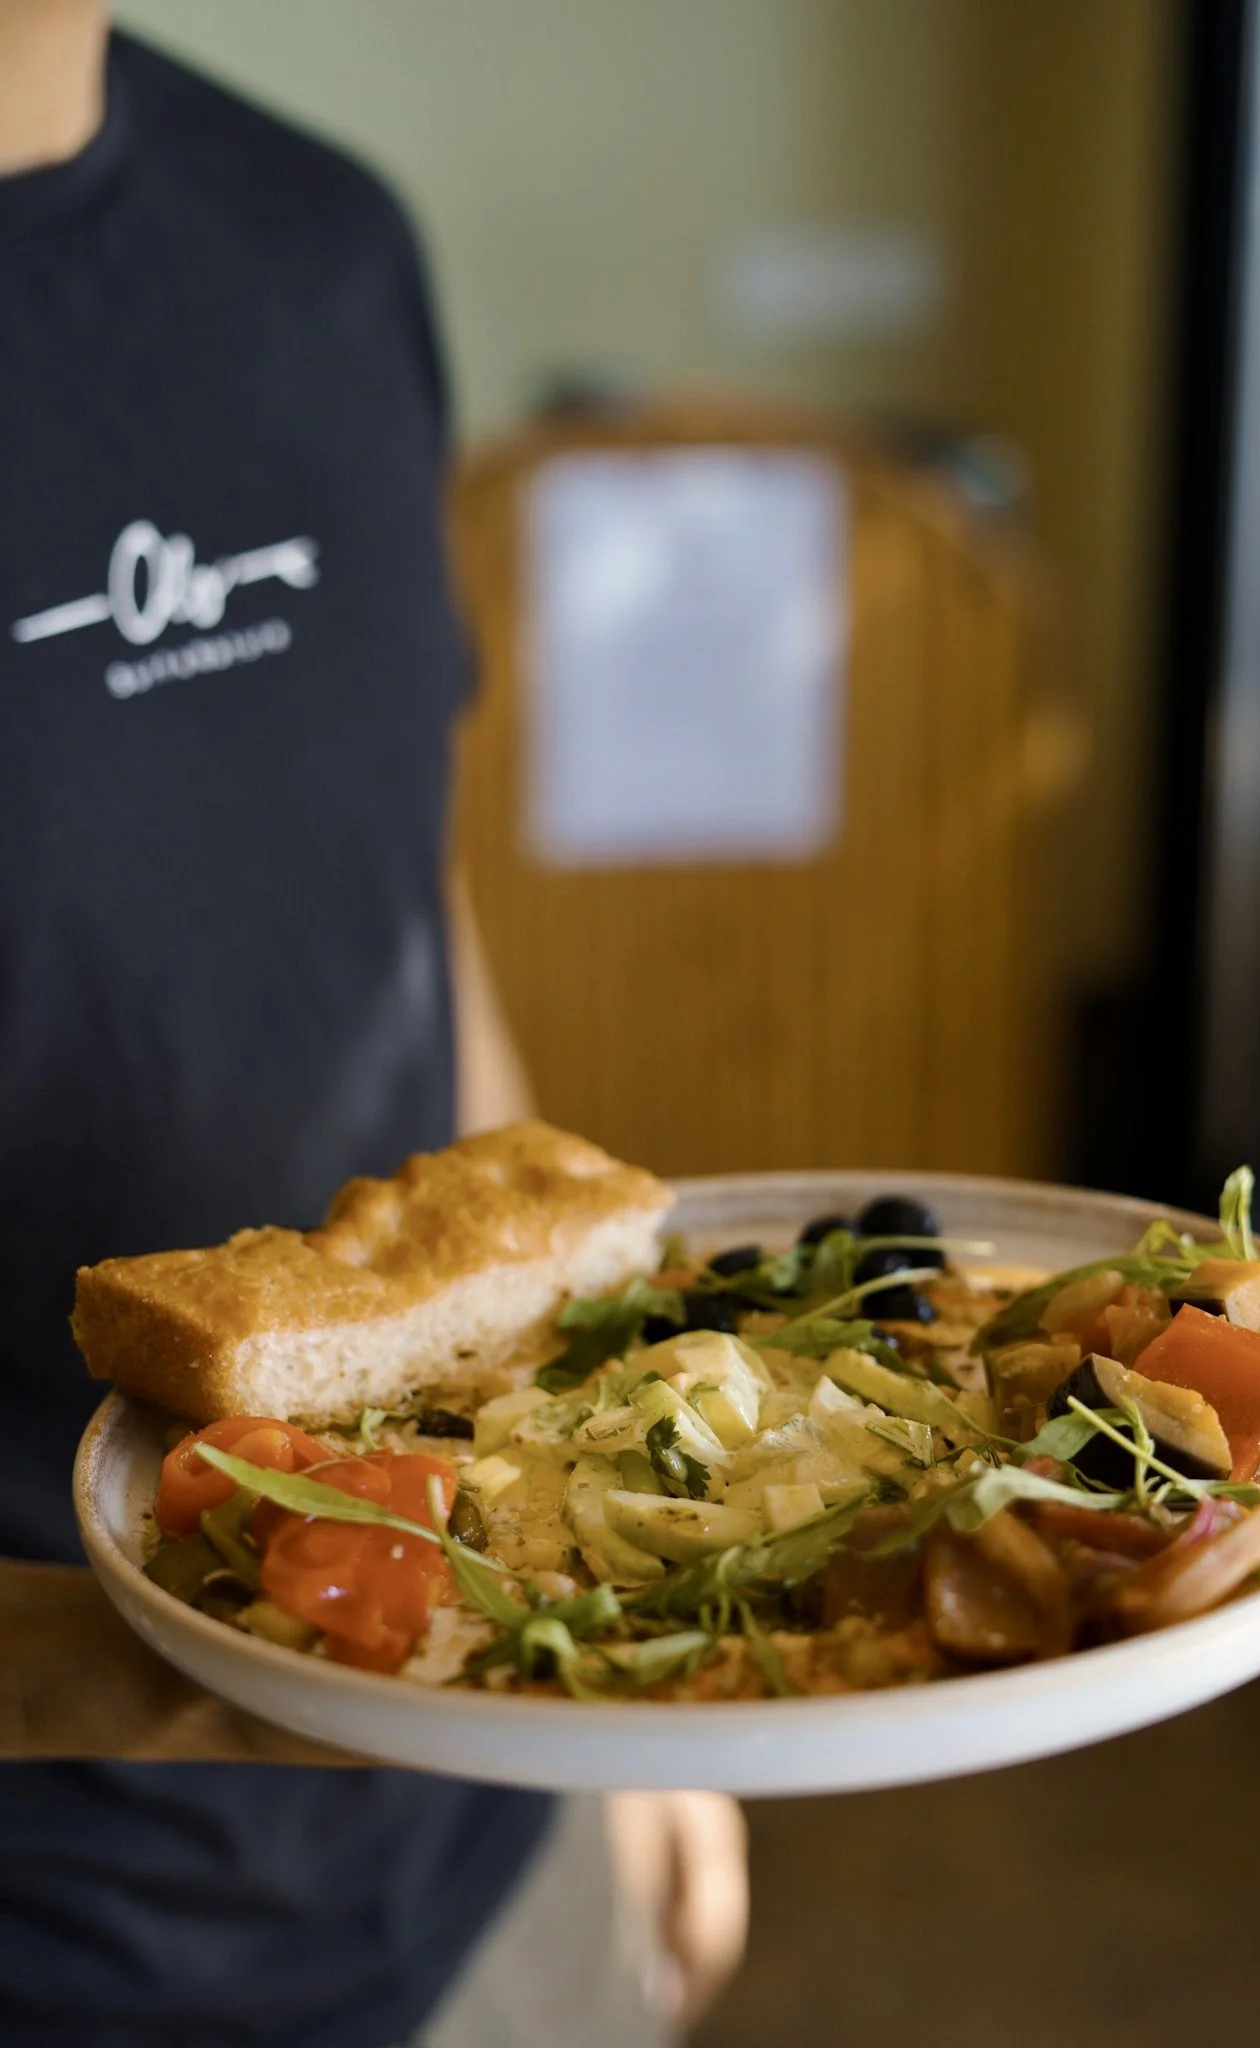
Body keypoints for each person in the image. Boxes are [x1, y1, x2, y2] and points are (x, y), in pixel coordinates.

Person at [0, 5, 747, 2042]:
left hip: (502, 1878)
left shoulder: (317, 238)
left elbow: (401, 925)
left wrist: (634, 1686)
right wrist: (159, 1672)